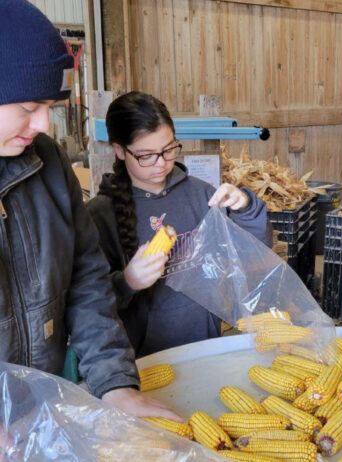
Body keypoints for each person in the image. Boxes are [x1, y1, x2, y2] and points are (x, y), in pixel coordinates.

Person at [0, 0, 181, 427]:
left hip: (39, 415)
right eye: (28, 107)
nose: (44, 124)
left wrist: (114, 383)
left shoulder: (45, 163)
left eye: (50, 105)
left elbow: (84, 276)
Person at [87, 91, 272, 356]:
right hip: (142, 360)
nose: (161, 163)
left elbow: (256, 249)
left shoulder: (201, 194)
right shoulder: (99, 215)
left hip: (204, 345)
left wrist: (245, 206)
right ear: (119, 151)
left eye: (169, 149)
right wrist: (126, 281)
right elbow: (88, 304)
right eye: (146, 155)